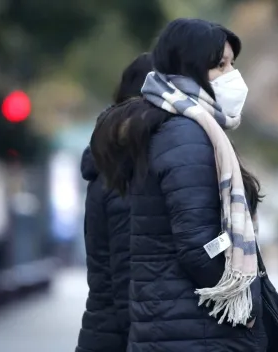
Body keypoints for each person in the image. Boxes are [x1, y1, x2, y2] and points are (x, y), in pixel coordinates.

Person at [91, 19, 267, 351]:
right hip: (196, 331)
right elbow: (200, 245)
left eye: (232, 64)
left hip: (176, 326)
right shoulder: (187, 135)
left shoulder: (179, 127)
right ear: (191, 68)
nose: (233, 76)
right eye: (220, 65)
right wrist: (238, 299)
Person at [75, 53, 152, 352]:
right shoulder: (125, 172)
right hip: (118, 338)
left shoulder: (114, 162)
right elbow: (127, 279)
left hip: (106, 332)